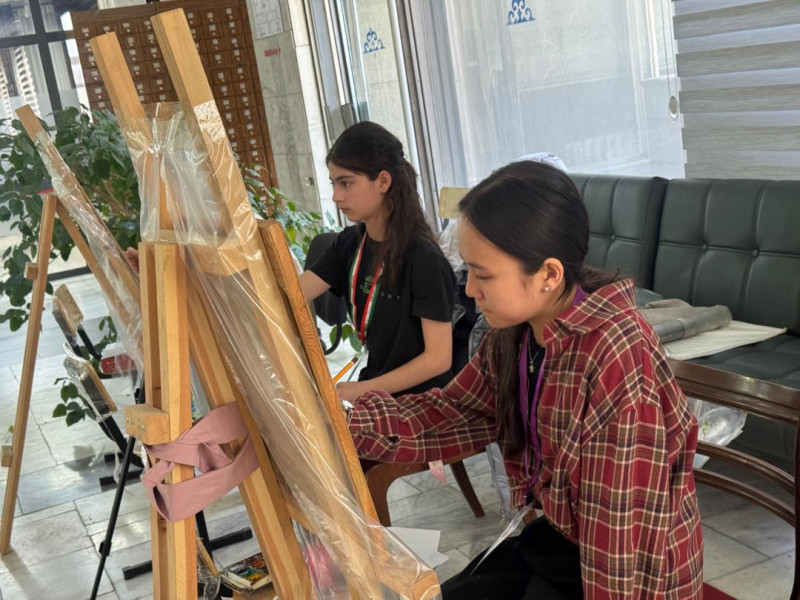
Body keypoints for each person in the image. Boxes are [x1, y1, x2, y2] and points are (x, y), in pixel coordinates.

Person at [345, 161, 703, 599]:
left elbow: (619, 543)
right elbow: (460, 412)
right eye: (469, 272)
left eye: (483, 275)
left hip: (631, 573)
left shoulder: (617, 361)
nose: (470, 291)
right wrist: (344, 423)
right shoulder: (517, 331)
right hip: (565, 540)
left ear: (549, 274)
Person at [300, 121, 457, 401]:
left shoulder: (424, 259)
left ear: (383, 181)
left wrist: (363, 389)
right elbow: (294, 293)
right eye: (334, 184)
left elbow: (438, 359)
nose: (336, 196)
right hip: (376, 392)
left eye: (346, 183)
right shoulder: (350, 243)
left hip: (419, 403)